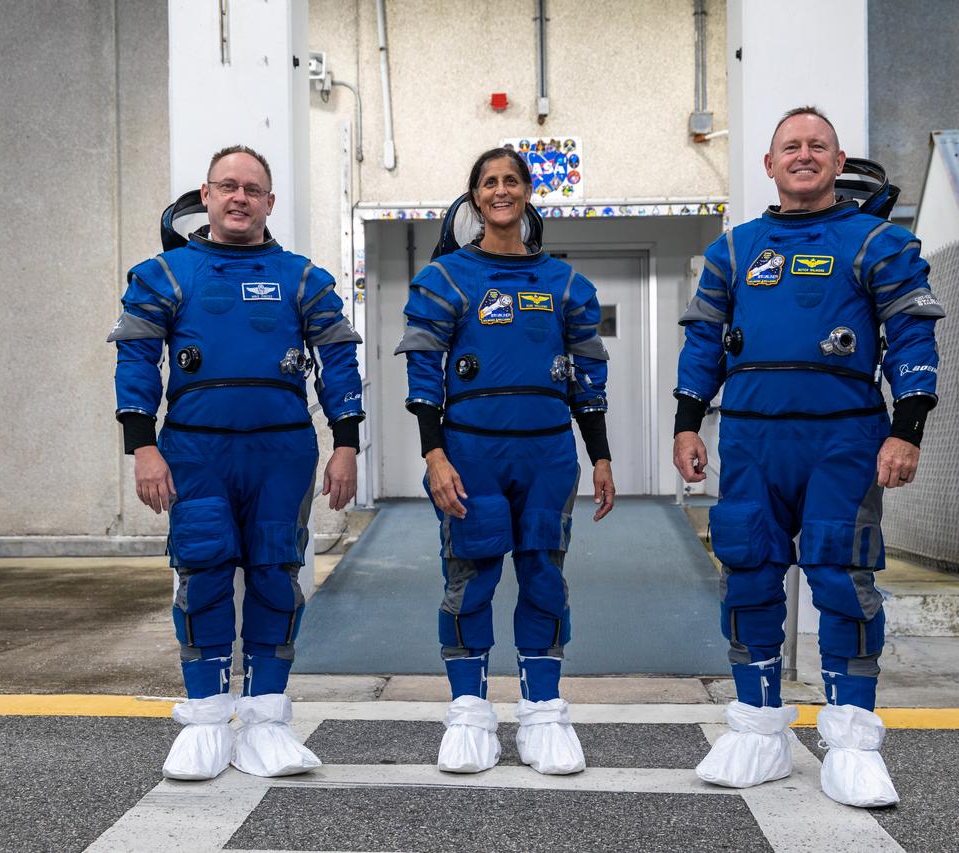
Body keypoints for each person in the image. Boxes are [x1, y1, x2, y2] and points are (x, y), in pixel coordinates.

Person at [673, 107, 945, 807]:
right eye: (789, 145)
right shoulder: (733, 251)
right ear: (768, 164)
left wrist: (906, 427)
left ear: (837, 159)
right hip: (752, 440)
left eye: (815, 145)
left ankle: (852, 741)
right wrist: (687, 424)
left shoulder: (878, 243)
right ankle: (758, 728)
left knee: (843, 578)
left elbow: (913, 340)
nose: (803, 154)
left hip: (844, 440)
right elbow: (703, 344)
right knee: (750, 575)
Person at [108, 144, 364, 780]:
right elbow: (136, 360)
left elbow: (338, 362)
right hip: (194, 450)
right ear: (207, 195)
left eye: (253, 188)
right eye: (228, 186)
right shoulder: (165, 275)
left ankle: (267, 722)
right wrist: (142, 446)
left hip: (282, 451)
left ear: (270, 202)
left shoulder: (304, 279)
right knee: (204, 569)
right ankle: (204, 721)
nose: (240, 197)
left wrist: (347, 444)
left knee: (277, 574)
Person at [395, 148, 616, 775]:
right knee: (469, 581)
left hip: (548, 453)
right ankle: (468, 711)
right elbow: (421, 378)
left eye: (511, 181)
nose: (501, 191)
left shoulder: (567, 285)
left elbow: (588, 380)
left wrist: (599, 456)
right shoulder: (444, 280)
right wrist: (433, 454)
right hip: (469, 452)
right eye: (489, 182)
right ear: (473, 197)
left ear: (526, 193)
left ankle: (542, 711)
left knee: (544, 577)